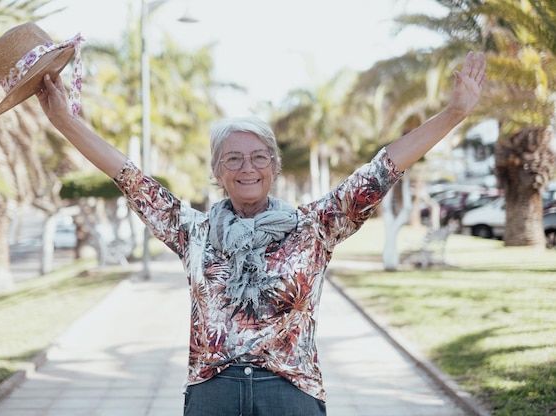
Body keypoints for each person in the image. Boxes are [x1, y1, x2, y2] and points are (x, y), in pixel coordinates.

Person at [35, 51, 486, 415]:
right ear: (217, 171)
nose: (246, 167)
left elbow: (381, 169)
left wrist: (453, 113)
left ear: (274, 166)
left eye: (258, 157)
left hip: (291, 393)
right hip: (212, 394)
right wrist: (65, 122)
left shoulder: (315, 227)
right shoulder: (191, 230)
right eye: (232, 158)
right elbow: (128, 176)